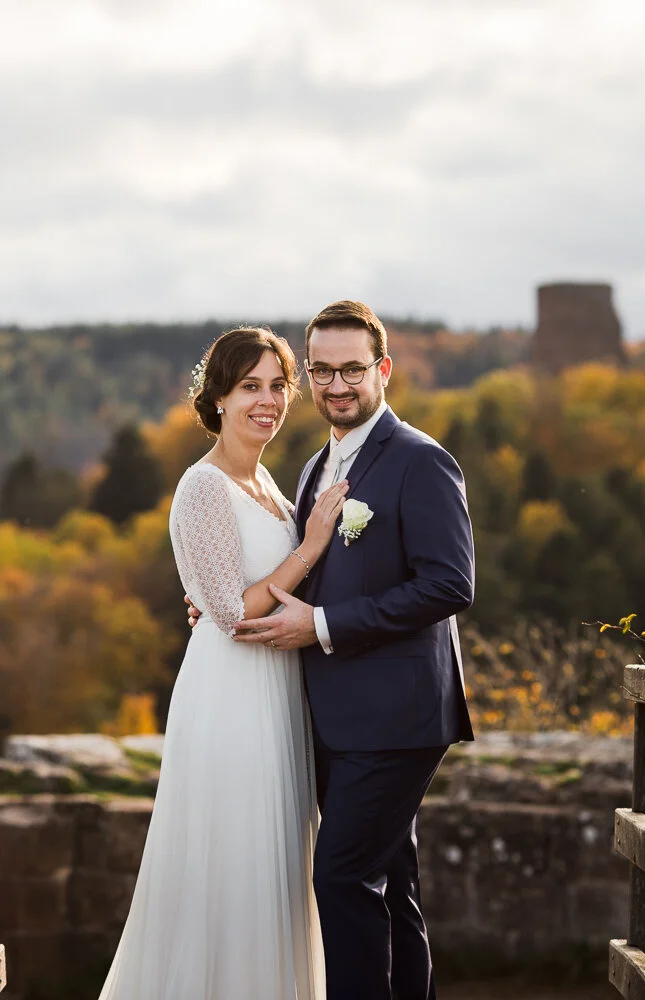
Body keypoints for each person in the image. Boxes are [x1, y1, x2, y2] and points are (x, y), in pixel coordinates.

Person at [207, 300, 476, 1000]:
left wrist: (323, 626)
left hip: (398, 713)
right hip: (335, 717)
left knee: (341, 876)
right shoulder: (314, 467)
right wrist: (228, 596)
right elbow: (303, 562)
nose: (336, 385)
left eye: (352, 369)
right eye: (321, 370)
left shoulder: (421, 460)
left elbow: (450, 583)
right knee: (391, 887)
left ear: (382, 370)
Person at [98, 326, 347, 1000]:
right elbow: (235, 614)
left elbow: (231, 590)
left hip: (276, 688)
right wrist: (313, 544)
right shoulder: (202, 486)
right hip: (232, 694)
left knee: (273, 866)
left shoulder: (265, 480)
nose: (266, 402)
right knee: (232, 859)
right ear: (218, 399)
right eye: (249, 388)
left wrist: (232, 593)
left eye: (276, 386)